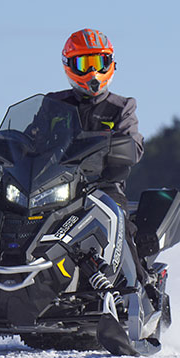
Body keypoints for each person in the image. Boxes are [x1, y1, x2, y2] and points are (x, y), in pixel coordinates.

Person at [46, 28, 149, 284]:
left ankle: (140, 285)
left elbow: (134, 144)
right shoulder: (53, 105)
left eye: (99, 63)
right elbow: (30, 138)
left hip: (103, 186)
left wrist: (117, 150)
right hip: (55, 187)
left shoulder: (122, 107)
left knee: (119, 223)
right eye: (84, 64)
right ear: (69, 66)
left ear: (110, 64)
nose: (92, 73)